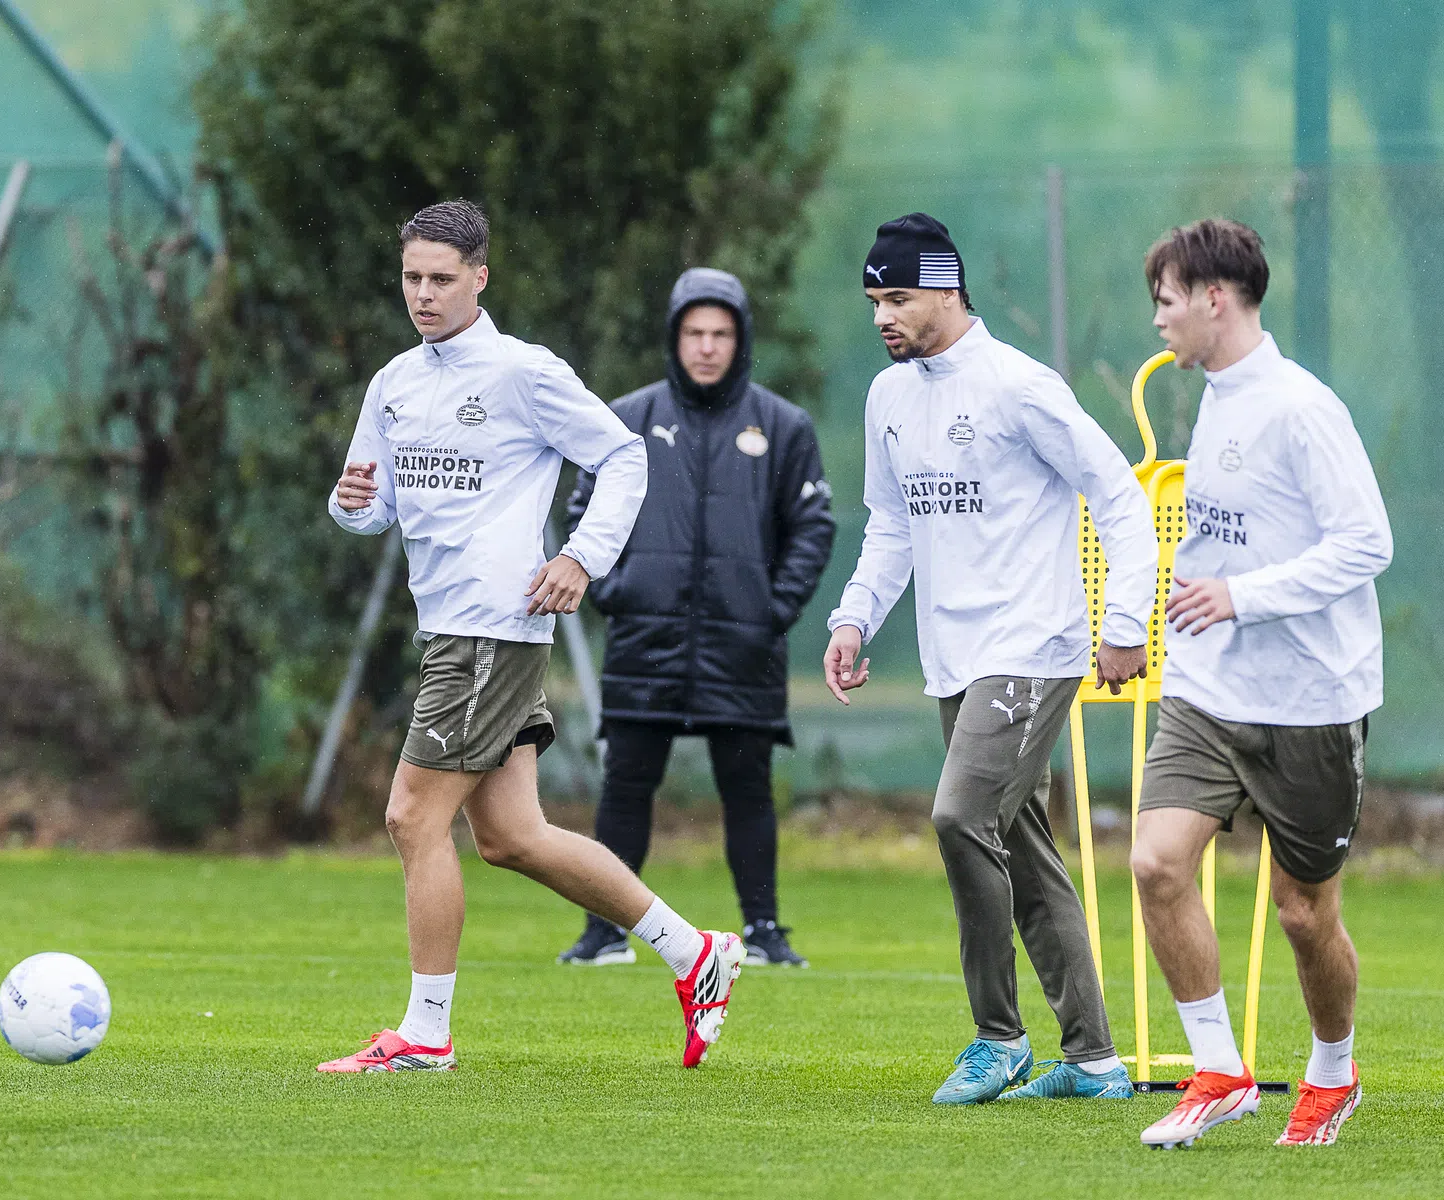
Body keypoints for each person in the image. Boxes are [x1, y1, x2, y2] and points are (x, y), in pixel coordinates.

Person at [321, 200, 745, 1073]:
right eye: (412, 278)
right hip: (448, 628)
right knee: (513, 837)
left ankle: (426, 1036)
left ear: (481, 276)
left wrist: (582, 558)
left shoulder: (523, 372)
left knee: (409, 816)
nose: (425, 294)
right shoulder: (395, 382)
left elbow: (625, 457)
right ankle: (692, 952)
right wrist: (350, 504)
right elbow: (376, 507)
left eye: (443, 278)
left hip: (492, 627)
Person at [823, 213, 1159, 1103]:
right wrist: (853, 618)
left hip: (1034, 645)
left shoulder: (1019, 386)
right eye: (871, 302)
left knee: (955, 815)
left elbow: (1117, 494)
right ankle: (1093, 1061)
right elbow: (889, 525)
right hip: (952, 659)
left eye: (896, 298)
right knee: (1020, 842)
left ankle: (998, 1038)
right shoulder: (888, 396)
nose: (881, 317)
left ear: (946, 288)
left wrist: (1126, 620)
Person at [1129, 220, 1391, 1150]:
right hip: (1208, 692)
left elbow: (1367, 544)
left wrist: (1240, 596)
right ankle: (1220, 1071)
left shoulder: (1301, 407)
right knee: (1156, 863)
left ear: (1214, 300)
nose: (1155, 320)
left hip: (1311, 702)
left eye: (1165, 301)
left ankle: (1332, 1071)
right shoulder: (1213, 397)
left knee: (1302, 912)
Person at [557, 268, 833, 969]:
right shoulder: (625, 418)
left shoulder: (783, 425)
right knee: (626, 786)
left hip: (744, 651)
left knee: (747, 792)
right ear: (674, 338)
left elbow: (814, 527)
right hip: (642, 643)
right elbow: (582, 512)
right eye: (693, 333)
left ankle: (765, 932)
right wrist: (617, 591)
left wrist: (771, 612)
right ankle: (603, 934)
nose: (706, 346)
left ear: (739, 341)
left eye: (721, 333)